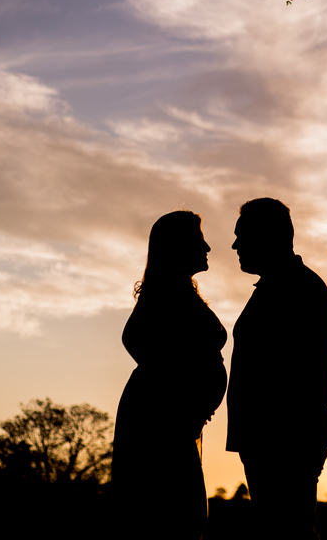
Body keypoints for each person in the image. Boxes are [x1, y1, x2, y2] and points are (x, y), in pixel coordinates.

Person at [112, 211, 228, 540]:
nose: (207, 246)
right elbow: (133, 339)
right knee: (169, 517)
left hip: (177, 425)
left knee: (182, 516)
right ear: (176, 247)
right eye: (198, 239)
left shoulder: (180, 294)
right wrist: (178, 398)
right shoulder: (164, 297)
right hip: (161, 426)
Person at [226, 198, 327, 539]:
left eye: (242, 235)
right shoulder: (278, 286)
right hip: (270, 437)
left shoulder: (297, 288)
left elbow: (286, 374)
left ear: (268, 236)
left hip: (283, 438)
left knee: (288, 532)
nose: (235, 245)